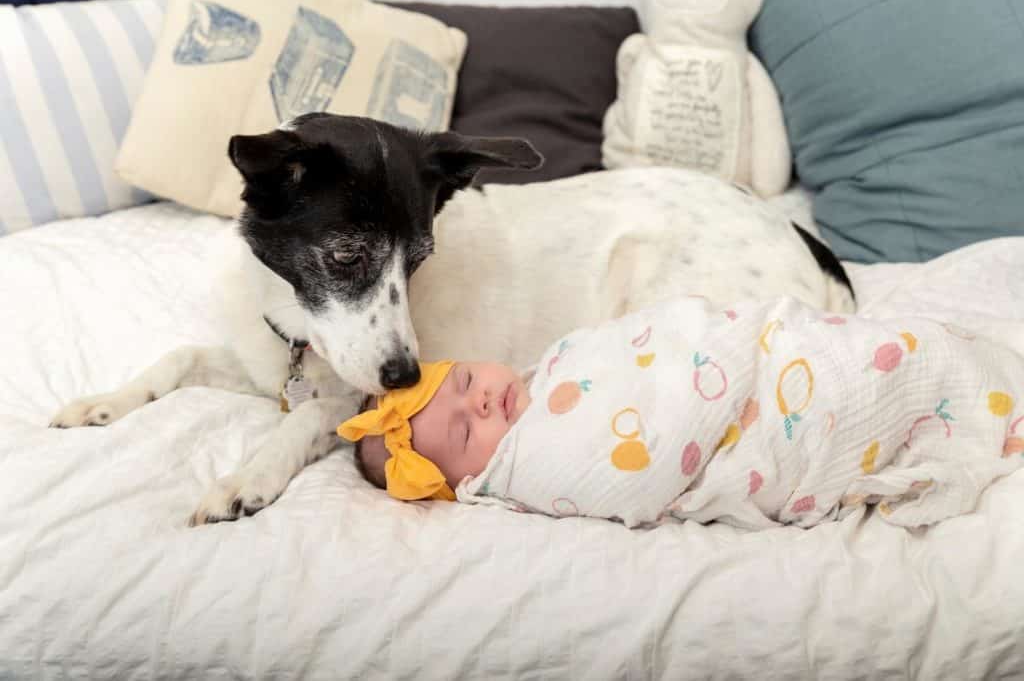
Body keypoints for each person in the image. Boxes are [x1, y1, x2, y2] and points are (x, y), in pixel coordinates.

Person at [339, 296, 1024, 530]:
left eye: (463, 380)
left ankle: (977, 381)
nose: (481, 398)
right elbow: (642, 468)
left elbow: (653, 334)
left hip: (774, 357)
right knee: (902, 363)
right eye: (464, 429)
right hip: (776, 420)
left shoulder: (552, 364)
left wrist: (731, 333)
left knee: (899, 345)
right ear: (462, 484)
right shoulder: (536, 465)